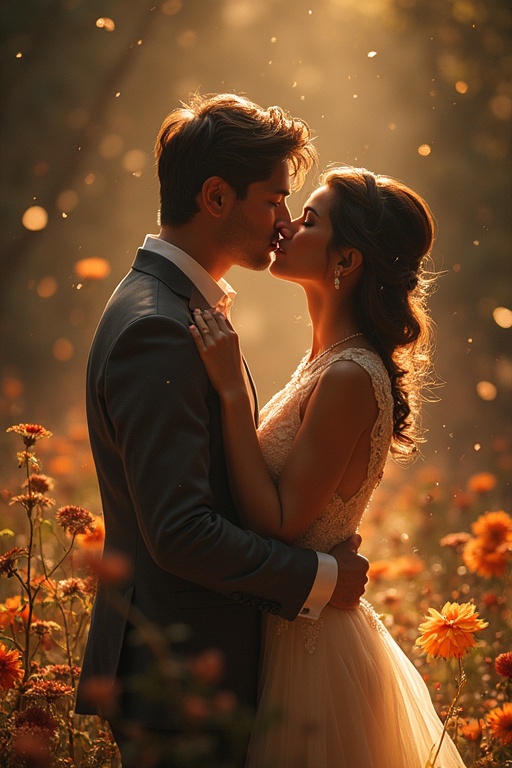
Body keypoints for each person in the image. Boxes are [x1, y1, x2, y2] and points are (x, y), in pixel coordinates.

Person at [74, 94, 369, 763]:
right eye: (272, 200)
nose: (283, 222)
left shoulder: (171, 308)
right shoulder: (158, 328)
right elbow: (179, 532)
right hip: (180, 679)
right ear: (215, 197)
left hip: (188, 671)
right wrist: (320, 578)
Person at [189, 166, 468, 768]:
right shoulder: (326, 360)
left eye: (309, 220)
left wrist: (233, 396)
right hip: (290, 622)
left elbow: (283, 522)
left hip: (313, 653)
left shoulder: (347, 376)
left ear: (348, 260)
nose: (286, 225)